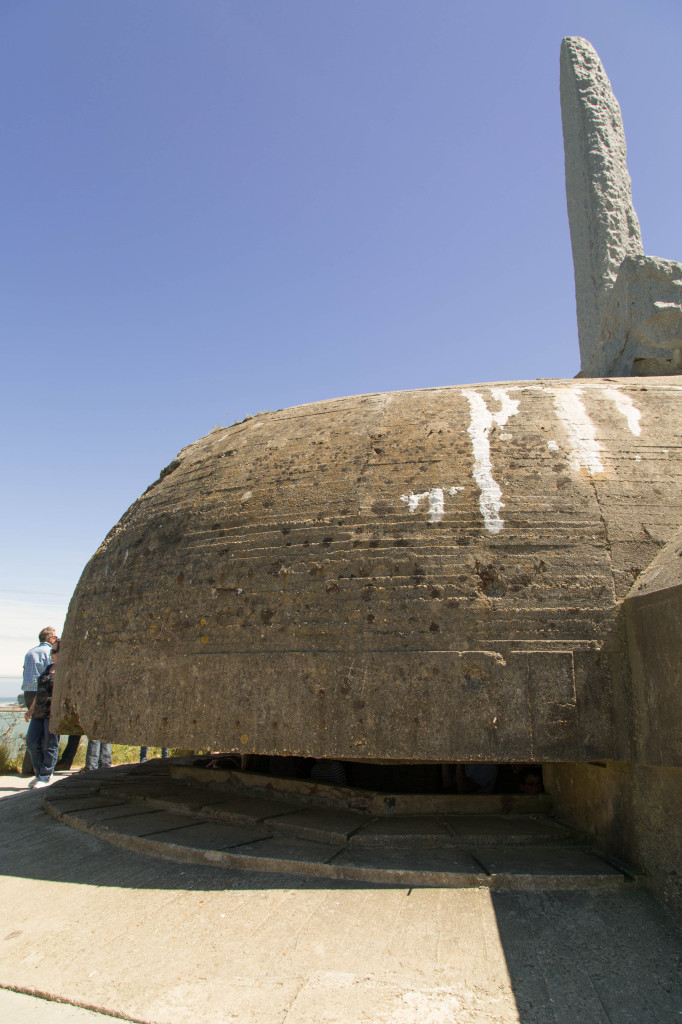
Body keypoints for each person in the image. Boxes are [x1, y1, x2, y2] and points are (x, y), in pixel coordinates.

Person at [25, 639, 61, 789]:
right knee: (31, 742)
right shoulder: (49, 668)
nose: (51, 654)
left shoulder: (63, 670)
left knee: (50, 744)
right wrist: (31, 709)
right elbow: (40, 691)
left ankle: (45, 776)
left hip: (51, 712)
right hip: (39, 711)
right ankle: (40, 773)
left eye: (54, 651)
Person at [21, 626, 57, 707]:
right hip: (42, 692)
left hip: (28, 692)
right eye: (55, 637)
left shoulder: (30, 652)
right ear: (50, 639)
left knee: (34, 717)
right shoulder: (50, 652)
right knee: (45, 718)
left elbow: (24, 672)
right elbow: (52, 672)